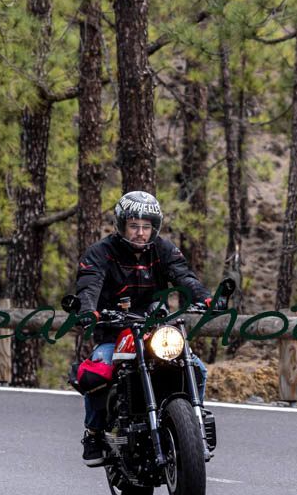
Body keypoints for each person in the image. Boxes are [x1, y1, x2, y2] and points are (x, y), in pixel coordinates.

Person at [72, 191, 215, 465]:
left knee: (196, 367)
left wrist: (204, 297)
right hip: (115, 331)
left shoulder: (163, 249)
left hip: (154, 329)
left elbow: (183, 276)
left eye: (146, 227)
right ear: (122, 225)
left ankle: (193, 423)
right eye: (134, 226)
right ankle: (94, 432)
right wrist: (88, 309)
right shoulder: (101, 252)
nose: (140, 233)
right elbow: (89, 283)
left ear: (154, 227)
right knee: (97, 372)